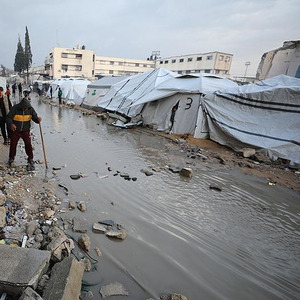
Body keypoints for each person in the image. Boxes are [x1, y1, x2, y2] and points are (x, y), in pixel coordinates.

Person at [6, 90, 42, 170]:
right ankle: (11, 158)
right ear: (21, 107)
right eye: (24, 108)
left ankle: (30, 158)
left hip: (26, 130)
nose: (26, 110)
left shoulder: (30, 109)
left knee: (28, 144)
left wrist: (37, 120)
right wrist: (11, 124)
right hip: (15, 131)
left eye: (27, 108)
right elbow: (8, 118)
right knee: (13, 145)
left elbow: (35, 118)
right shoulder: (15, 108)